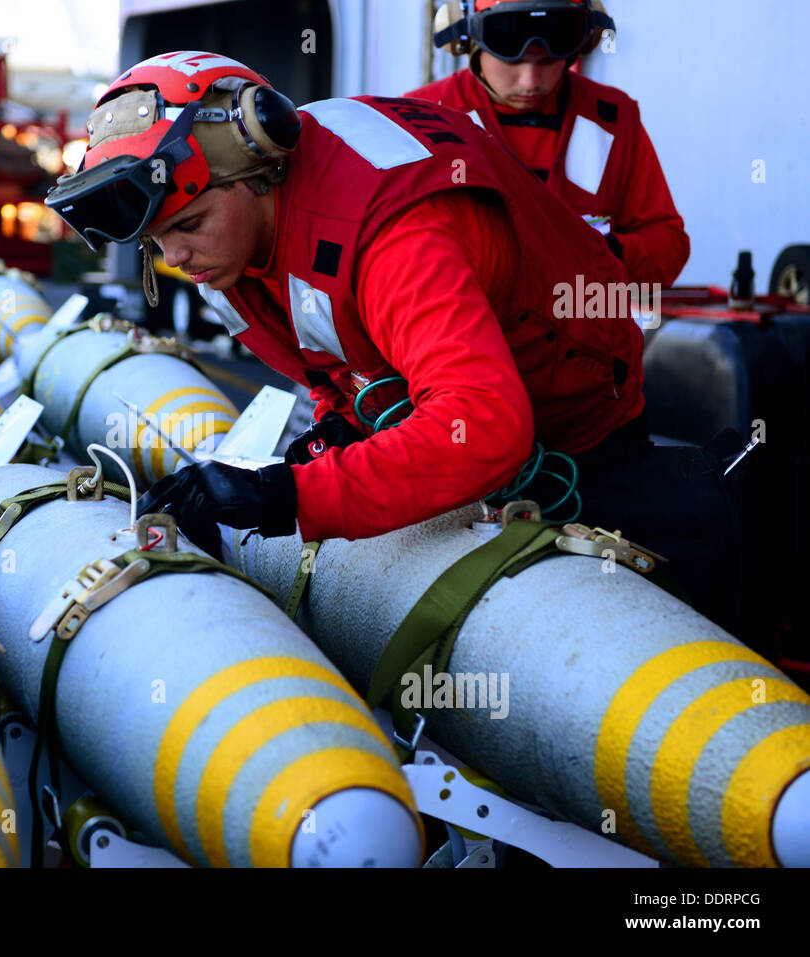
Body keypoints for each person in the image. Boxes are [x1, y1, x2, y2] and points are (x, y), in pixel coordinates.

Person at [45, 51, 746, 639]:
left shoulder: (394, 233)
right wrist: (334, 427)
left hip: (576, 430)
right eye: (157, 241)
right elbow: (327, 351)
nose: (178, 257)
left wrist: (290, 494)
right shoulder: (233, 238)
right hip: (447, 396)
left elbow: (488, 426)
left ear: (259, 171)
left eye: (189, 224)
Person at [406, 0, 689, 287]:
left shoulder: (614, 118)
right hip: (468, 325)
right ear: (466, 41)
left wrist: (604, 252)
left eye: (546, 61)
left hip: (584, 323)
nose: (530, 81)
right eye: (512, 60)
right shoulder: (418, 118)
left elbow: (668, 246)